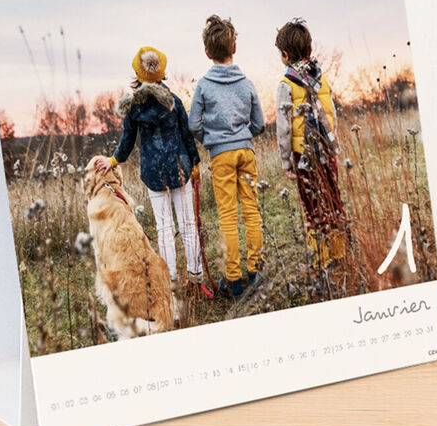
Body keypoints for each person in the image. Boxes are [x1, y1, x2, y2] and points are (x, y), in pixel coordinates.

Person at [98, 46, 205, 288]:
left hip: (153, 173)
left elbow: (126, 142)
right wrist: (195, 163)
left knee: (164, 228)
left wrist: (112, 161)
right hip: (180, 168)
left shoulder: (133, 108)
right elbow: (187, 135)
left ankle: (171, 281)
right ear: (161, 72)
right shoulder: (174, 101)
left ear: (138, 74)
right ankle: (195, 277)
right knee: (188, 224)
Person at [189, 15, 265, 297]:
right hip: (246, 151)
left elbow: (193, 124)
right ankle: (256, 271)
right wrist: (244, 135)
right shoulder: (246, 83)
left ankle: (233, 281)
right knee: (251, 210)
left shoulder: (203, 86)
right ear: (234, 48)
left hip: (220, 156)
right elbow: (259, 123)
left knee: (228, 216)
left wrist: (211, 140)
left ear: (207, 53)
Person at [274, 17, 348, 268]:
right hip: (327, 149)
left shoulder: (286, 84)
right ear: (309, 48)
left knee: (312, 206)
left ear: (285, 55)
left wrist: (286, 162)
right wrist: (333, 141)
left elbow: (283, 128)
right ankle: (338, 253)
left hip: (303, 155)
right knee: (333, 199)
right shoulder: (321, 77)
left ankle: (321, 259)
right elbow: (331, 113)